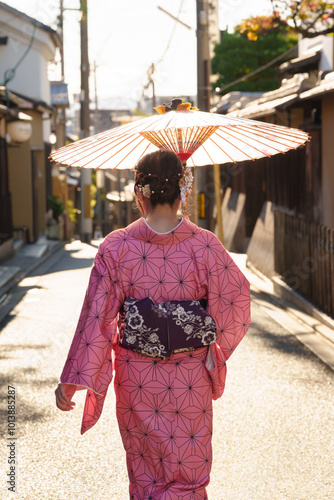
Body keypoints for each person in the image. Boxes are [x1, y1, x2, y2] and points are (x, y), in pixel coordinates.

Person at [55, 150, 251, 499]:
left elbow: (96, 318)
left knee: (146, 478)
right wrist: (211, 348)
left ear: (138, 193)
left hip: (137, 380)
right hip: (190, 377)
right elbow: (236, 301)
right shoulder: (205, 245)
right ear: (183, 190)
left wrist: (74, 379)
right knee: (189, 477)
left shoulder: (116, 246)